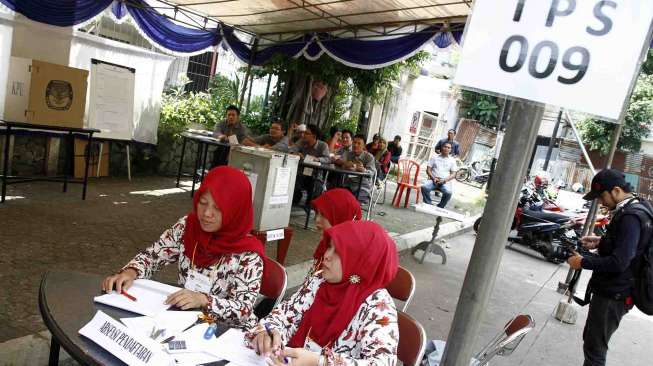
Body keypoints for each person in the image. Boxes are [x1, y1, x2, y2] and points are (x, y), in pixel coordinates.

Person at [101, 166, 265, 329]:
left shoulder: (248, 255)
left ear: (235, 210)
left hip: (224, 332)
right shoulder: (189, 227)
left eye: (218, 208)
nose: (207, 213)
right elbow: (154, 255)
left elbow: (243, 310)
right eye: (203, 202)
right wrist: (131, 272)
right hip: (185, 318)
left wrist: (203, 300)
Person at [248, 220, 399, 366]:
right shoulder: (320, 280)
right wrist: (270, 334)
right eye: (329, 247)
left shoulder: (378, 307)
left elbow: (383, 362)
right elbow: (285, 314)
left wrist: (320, 362)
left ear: (362, 261)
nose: (326, 255)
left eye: (338, 251)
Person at [567, 169, 653, 366]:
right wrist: (600, 242)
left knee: (595, 350)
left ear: (615, 191)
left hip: (614, 294)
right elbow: (631, 248)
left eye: (602, 196)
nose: (601, 202)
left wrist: (582, 262)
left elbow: (619, 262)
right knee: (592, 343)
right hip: (617, 290)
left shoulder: (631, 215)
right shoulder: (639, 206)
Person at [291, 124, 331, 205]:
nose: (303, 135)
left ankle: (309, 207)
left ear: (314, 136)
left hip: (315, 175)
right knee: (293, 180)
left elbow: (328, 159)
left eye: (306, 133)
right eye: (303, 133)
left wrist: (318, 159)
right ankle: (294, 201)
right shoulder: (301, 141)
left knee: (316, 187)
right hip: (301, 173)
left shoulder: (323, 145)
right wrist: (296, 154)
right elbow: (292, 150)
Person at [334, 134, 376, 204]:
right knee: (336, 197)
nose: (355, 145)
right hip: (348, 185)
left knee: (350, 202)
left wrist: (364, 170)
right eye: (354, 142)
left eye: (359, 143)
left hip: (363, 187)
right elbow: (337, 160)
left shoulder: (369, 157)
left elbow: (372, 173)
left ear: (364, 146)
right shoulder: (348, 154)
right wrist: (344, 162)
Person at [421, 142, 456, 208]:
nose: (446, 149)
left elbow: (453, 174)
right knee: (424, 187)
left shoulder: (452, 160)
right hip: (433, 180)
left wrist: (444, 180)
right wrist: (433, 178)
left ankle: (439, 207)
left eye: (448, 148)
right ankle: (428, 204)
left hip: (445, 182)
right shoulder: (434, 157)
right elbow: (428, 169)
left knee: (448, 193)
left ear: (450, 150)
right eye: (445, 147)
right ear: (442, 148)